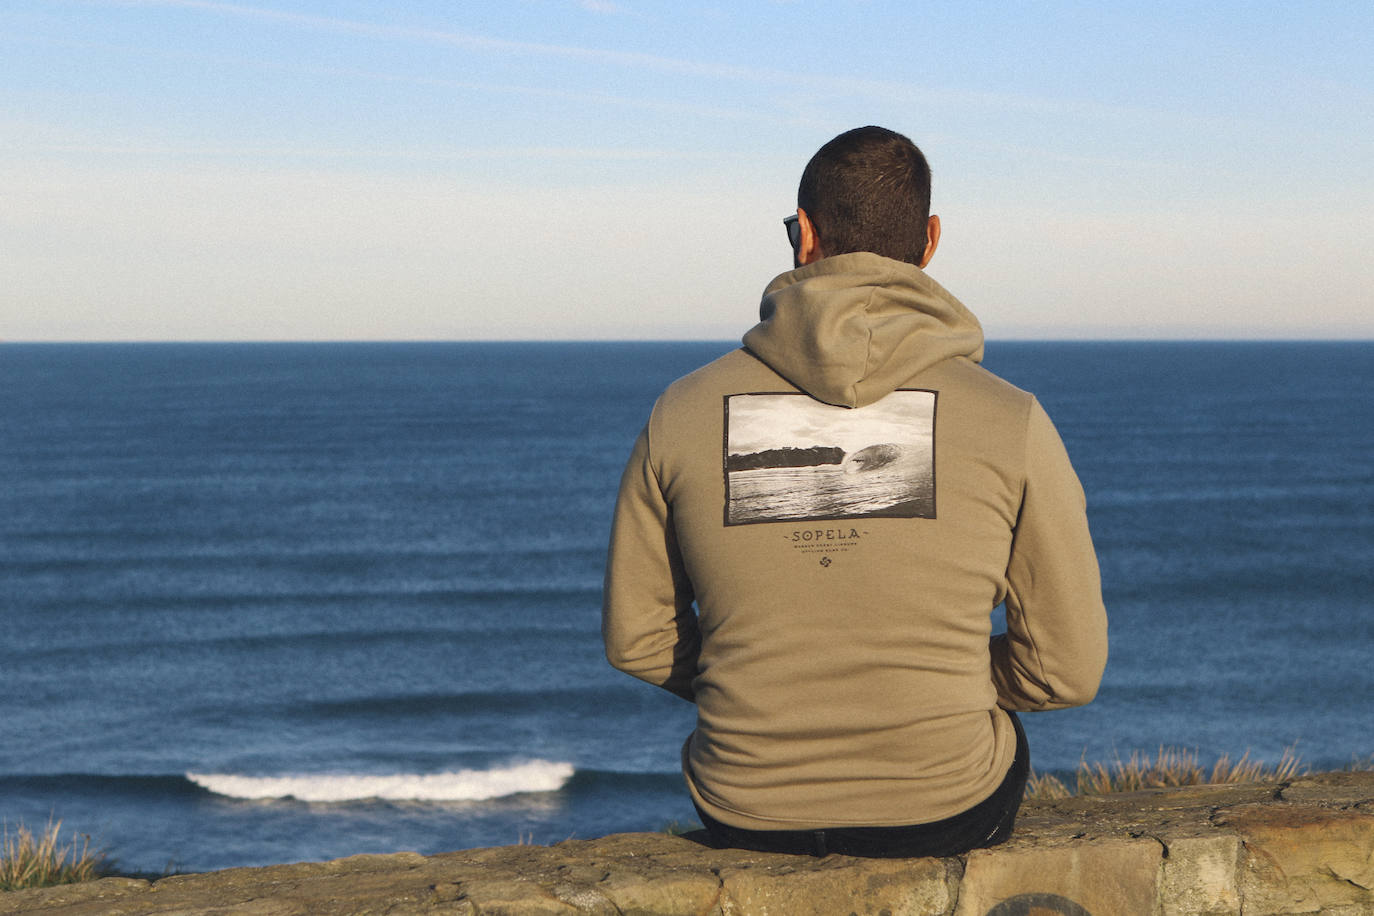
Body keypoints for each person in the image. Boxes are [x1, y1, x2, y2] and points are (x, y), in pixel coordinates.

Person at [602, 126, 1108, 858]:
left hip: (745, 807)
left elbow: (637, 638)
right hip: (945, 806)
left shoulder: (681, 411)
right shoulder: (1010, 419)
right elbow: (1066, 669)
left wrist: (758, 678)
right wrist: (943, 683)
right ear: (930, 240)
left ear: (803, 234)